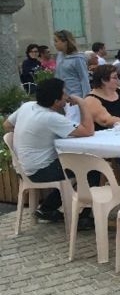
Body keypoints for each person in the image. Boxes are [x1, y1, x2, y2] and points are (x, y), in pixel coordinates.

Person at [3, 78, 94, 222]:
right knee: (90, 169)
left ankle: (47, 208)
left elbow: (7, 125)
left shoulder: (28, 106)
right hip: (40, 170)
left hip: (23, 168)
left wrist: (32, 134)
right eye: (64, 93)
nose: (67, 95)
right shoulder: (50, 117)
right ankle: (83, 218)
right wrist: (82, 103)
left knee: (76, 167)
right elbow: (88, 130)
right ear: (56, 101)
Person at [53, 30, 90, 100]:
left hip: (76, 96)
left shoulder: (78, 58)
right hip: (62, 96)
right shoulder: (59, 56)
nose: (54, 44)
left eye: (56, 41)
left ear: (65, 42)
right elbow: (57, 75)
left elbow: (84, 79)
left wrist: (86, 99)